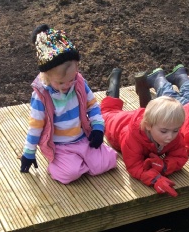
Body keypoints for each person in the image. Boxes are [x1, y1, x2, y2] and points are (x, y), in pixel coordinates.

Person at [20, 24, 117, 184]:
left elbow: (92, 106)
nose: (67, 85)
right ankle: (63, 164)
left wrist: (98, 128)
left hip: (82, 138)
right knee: (70, 174)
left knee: (109, 162)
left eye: (71, 79)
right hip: (60, 146)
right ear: (46, 76)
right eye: (60, 82)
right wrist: (29, 152)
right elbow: (35, 126)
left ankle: (82, 161)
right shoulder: (41, 96)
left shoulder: (79, 83)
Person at [100, 68, 187, 197]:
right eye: (164, 131)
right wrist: (155, 178)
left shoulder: (170, 129)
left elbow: (180, 156)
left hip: (135, 117)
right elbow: (134, 166)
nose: (170, 136)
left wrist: (164, 166)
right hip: (115, 123)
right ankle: (113, 83)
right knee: (107, 110)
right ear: (148, 126)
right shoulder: (131, 138)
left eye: (176, 130)